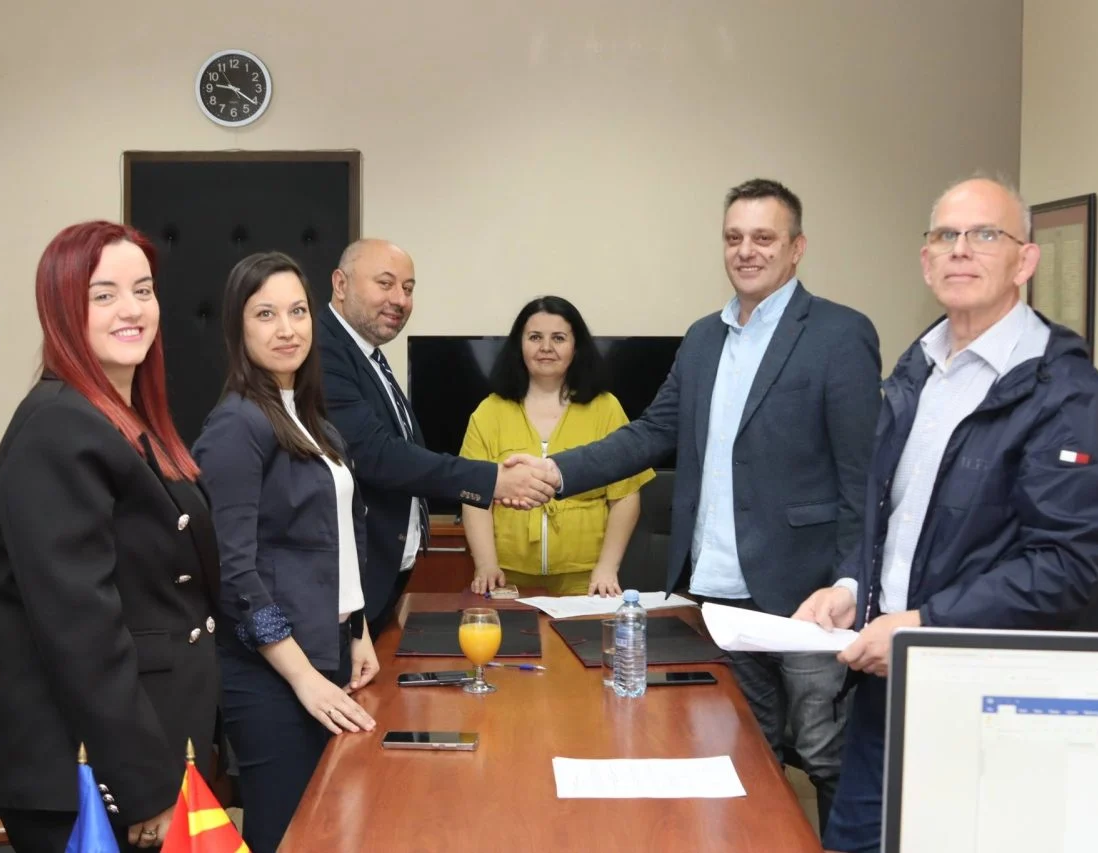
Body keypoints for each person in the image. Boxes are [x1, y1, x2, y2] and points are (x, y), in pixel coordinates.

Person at [519, 179, 883, 830]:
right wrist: (555, 470)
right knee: (742, 753)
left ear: (797, 248)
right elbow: (649, 434)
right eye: (734, 237)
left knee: (825, 755)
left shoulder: (839, 333)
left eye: (764, 237)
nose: (746, 250)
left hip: (809, 598)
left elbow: (863, 476)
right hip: (715, 595)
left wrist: (852, 581)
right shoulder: (703, 338)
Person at [793, 176, 1098, 853]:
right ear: (926, 261)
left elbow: (1066, 565)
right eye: (946, 235)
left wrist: (926, 625)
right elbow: (894, 517)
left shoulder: (1066, 392)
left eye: (985, 234)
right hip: (888, 683)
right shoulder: (918, 367)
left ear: (1025, 261)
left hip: (993, 702)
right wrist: (853, 588)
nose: (961, 249)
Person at [0, 221, 219, 851]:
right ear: (63, 309)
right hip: (89, 771)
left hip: (151, 735)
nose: (131, 310)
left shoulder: (121, 417)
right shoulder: (57, 428)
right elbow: (81, 631)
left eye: (143, 290)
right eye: (103, 295)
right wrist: (143, 784)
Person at [193, 252, 379, 853]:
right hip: (271, 675)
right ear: (238, 327)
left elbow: (338, 536)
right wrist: (303, 678)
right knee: (287, 833)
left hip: (327, 650)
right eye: (265, 314)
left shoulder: (306, 415)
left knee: (330, 824)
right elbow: (236, 573)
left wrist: (357, 630)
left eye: (298, 312)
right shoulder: (236, 425)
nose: (287, 329)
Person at [317, 238, 559, 635]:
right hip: (344, 584)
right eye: (385, 284)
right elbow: (377, 455)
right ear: (340, 284)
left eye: (408, 289)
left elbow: (405, 447)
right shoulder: (324, 352)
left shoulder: (366, 352)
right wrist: (493, 480)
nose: (400, 300)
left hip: (377, 580)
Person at [461, 296, 654, 597]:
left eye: (559, 338)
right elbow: (474, 495)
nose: (546, 347)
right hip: (506, 578)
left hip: (587, 578)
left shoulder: (606, 409)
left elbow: (626, 496)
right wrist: (486, 565)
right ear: (519, 345)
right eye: (535, 337)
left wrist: (607, 567)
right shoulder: (489, 412)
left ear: (576, 347)